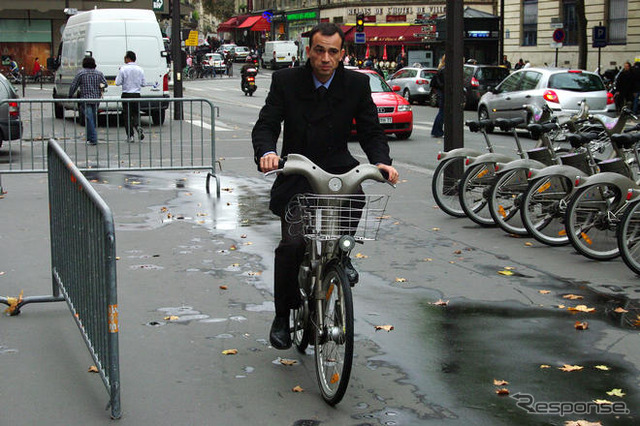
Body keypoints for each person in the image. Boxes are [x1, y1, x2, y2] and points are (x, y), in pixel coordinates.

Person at [252, 22, 399, 350]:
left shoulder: (357, 84)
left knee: (356, 194)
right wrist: (267, 153)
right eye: (319, 50)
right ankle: (282, 315)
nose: (325, 58)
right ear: (309, 51)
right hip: (297, 171)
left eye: (333, 52)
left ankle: (342, 256)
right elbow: (267, 124)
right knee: (291, 245)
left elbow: (371, 130)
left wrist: (382, 161)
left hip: (337, 169)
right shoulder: (286, 81)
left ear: (342, 54)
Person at [69, 56, 107, 145]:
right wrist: (100, 87)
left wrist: (70, 95)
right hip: (96, 98)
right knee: (92, 118)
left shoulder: (81, 74)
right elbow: (105, 84)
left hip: (85, 99)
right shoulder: (99, 73)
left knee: (89, 118)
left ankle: (93, 138)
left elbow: (74, 85)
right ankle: (90, 137)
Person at [115, 50, 149, 143]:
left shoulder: (123, 69)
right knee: (136, 113)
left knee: (127, 116)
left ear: (128, 58)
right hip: (137, 94)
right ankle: (138, 126)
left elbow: (117, 83)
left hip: (126, 94)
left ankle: (130, 136)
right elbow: (144, 84)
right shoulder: (140, 69)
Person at [430, 54, 445, 138]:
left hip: (440, 93)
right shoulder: (444, 70)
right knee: (442, 113)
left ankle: (437, 130)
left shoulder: (441, 69)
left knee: (441, 112)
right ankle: (437, 130)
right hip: (443, 93)